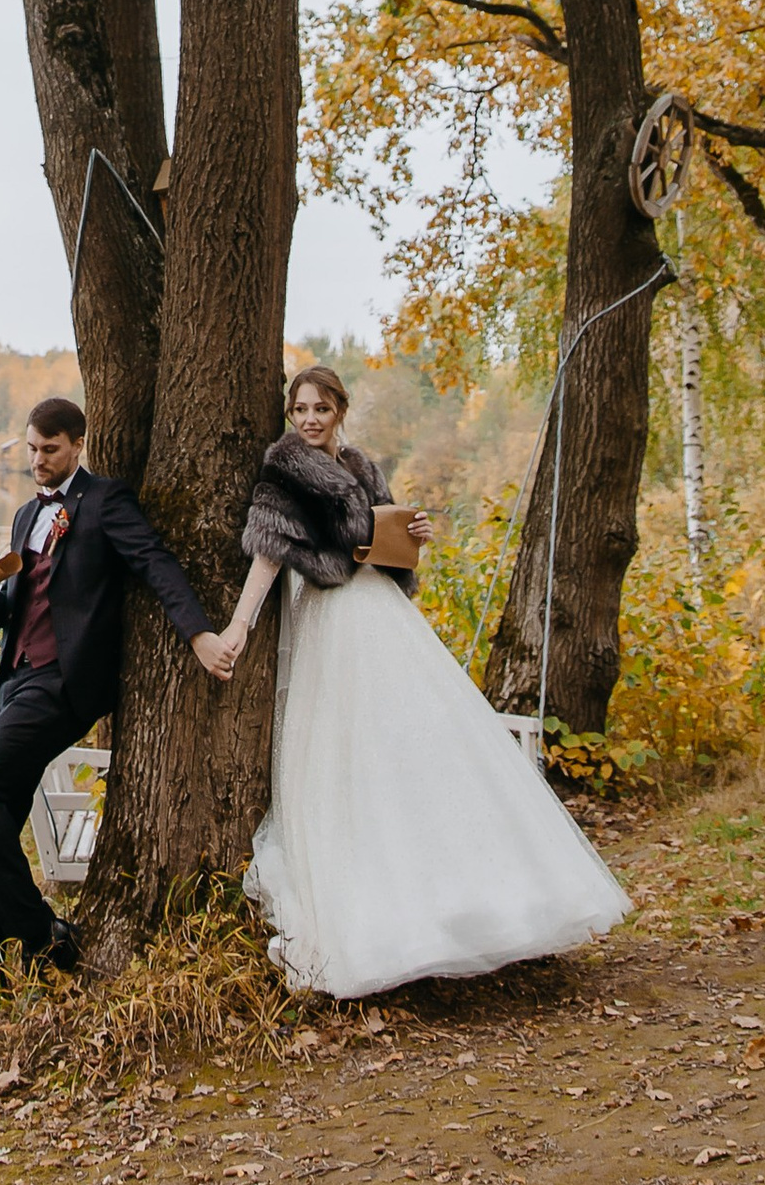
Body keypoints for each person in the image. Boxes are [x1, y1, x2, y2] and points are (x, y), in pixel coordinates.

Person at [210, 362, 631, 999]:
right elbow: (269, 553)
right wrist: (239, 626)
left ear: (340, 410)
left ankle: (462, 904)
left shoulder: (362, 464)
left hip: (384, 614)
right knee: (344, 758)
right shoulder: (285, 470)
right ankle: (376, 920)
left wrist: (414, 537)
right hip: (329, 620)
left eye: (320, 409)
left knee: (417, 747)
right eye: (300, 410)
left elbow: (384, 539)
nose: (309, 421)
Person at [0, 392, 231, 1048]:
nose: (37, 461)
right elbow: (20, 611)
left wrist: (199, 634)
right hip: (15, 683)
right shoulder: (27, 513)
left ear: (78, 445)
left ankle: (41, 932)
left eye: (49, 450)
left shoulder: (105, 503)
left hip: (63, 686)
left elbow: (156, 565)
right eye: (31, 449)